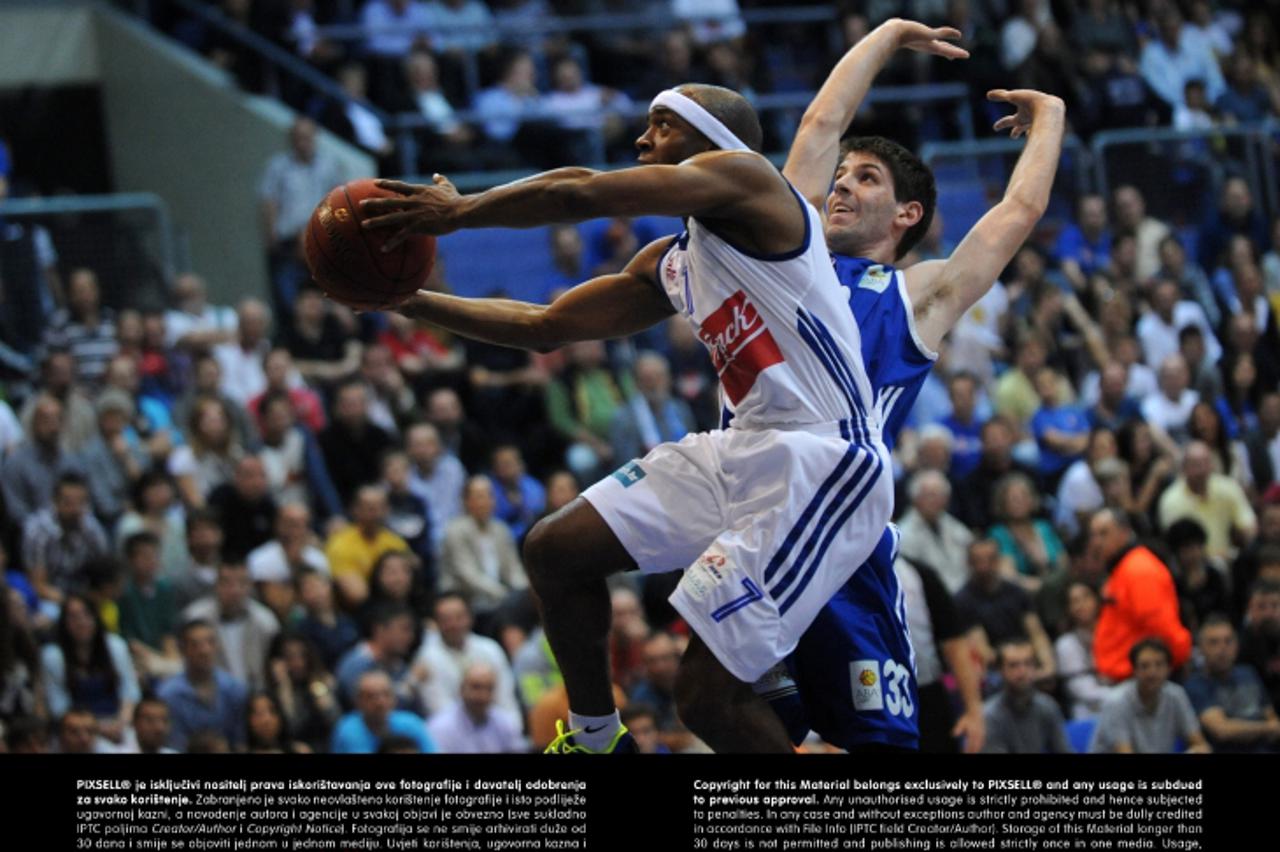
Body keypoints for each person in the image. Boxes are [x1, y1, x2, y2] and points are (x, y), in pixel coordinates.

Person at [356, 31, 1044, 755]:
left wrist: (460, 212)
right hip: (743, 446)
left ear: (709, 142)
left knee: (703, 699)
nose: (642, 136)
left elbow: (580, 191)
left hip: (821, 462)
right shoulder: (676, 260)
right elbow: (545, 325)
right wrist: (410, 302)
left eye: (662, 125)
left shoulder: (754, 187)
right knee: (555, 549)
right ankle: (595, 742)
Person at [1088, 509, 1192, 681]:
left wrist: (1174, 662)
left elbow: (1161, 628)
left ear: (1125, 532)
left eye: (1104, 533)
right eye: (1093, 535)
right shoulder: (1122, 567)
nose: (1096, 542)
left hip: (1143, 680)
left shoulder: (1139, 571)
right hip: (1125, 676)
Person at [1089, 638, 1210, 754]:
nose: (1152, 672)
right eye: (1145, 666)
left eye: (1159, 665)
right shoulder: (1117, 701)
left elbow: (1200, 744)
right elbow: (1124, 751)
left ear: (1169, 669)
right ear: (1134, 670)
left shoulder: (1176, 695)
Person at [1184, 614, 1280, 753]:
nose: (1222, 648)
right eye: (1214, 642)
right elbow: (1222, 730)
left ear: (1236, 645)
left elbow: (1271, 717)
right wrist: (1267, 728)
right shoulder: (1195, 685)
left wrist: (1268, 727)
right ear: (1201, 649)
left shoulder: (1248, 673)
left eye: (1228, 641)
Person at [157, 619, 248, 751]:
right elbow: (173, 746)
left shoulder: (235, 689)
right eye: (195, 645)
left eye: (210, 642)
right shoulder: (168, 695)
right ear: (182, 649)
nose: (204, 650)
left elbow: (240, 742)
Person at [981, 638, 1072, 754]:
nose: (1022, 671)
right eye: (1013, 665)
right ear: (1000, 671)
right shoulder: (989, 716)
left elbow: (1063, 750)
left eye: (1028, 663)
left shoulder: (1047, 706)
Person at [426, 662, 526, 753]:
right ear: (461, 689)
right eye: (476, 687)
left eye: (489, 688)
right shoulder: (441, 727)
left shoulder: (505, 723)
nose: (483, 696)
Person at [330, 670, 434, 754]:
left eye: (386, 694)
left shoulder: (411, 723)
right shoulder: (347, 731)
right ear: (358, 701)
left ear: (394, 699)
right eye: (371, 696)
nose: (380, 702)